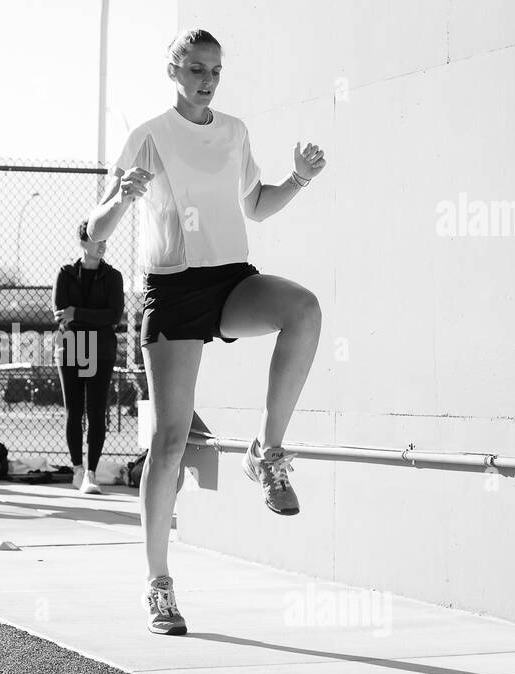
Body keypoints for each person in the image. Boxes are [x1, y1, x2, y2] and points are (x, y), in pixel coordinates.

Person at [87, 29, 326, 636]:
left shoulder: (236, 130)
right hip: (173, 290)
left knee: (303, 310)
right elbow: (93, 231)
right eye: (195, 68)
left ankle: (267, 454)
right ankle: (158, 584)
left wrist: (297, 179)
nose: (207, 78)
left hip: (231, 281)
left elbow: (257, 205)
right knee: (170, 440)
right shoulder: (147, 135)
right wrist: (122, 201)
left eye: (215, 69)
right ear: (173, 70)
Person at [53, 220, 124, 495]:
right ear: (84, 243)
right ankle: (77, 469)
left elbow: (114, 316)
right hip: (71, 345)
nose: (103, 245)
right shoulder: (66, 273)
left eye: (106, 240)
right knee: (74, 412)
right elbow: (60, 313)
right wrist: (83, 317)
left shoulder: (113, 276)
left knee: (96, 412)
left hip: (101, 348)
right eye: (98, 240)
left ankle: (91, 474)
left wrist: (78, 314)